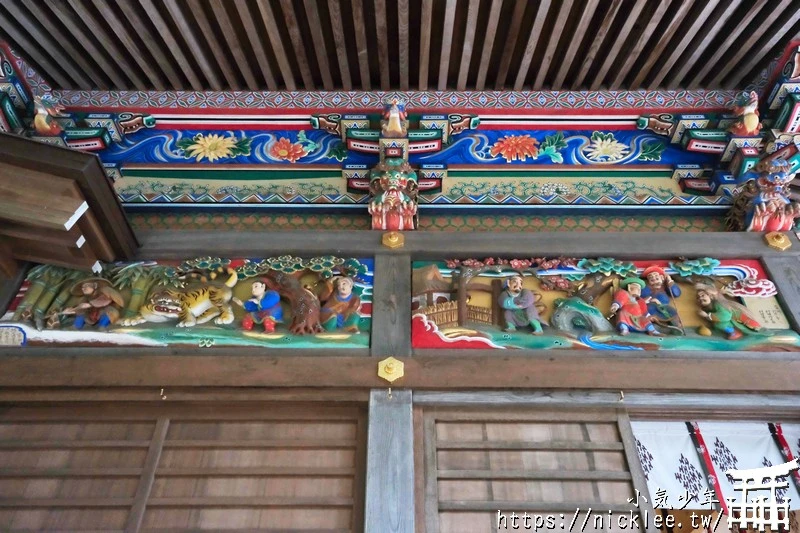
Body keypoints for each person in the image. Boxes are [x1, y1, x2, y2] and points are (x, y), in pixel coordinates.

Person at [695, 283, 762, 340]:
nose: (700, 298)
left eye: (703, 295)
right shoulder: (713, 306)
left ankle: (734, 332)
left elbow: (725, 316)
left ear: (711, 296)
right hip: (735, 320)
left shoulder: (719, 304)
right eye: (698, 297)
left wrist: (707, 315)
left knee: (719, 325)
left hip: (745, 322)